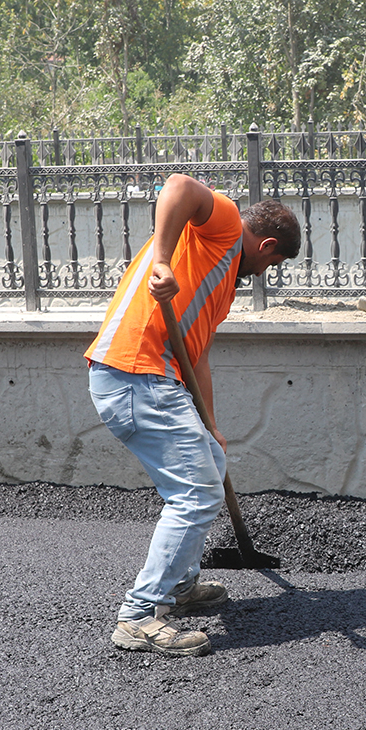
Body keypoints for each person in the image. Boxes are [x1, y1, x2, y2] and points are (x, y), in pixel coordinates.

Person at [85, 174, 300, 654]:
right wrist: (160, 261)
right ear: (266, 245)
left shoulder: (221, 284)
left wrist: (212, 425)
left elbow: (196, 354)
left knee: (209, 464)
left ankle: (179, 586)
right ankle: (141, 614)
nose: (267, 272)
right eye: (274, 262)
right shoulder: (223, 227)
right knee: (198, 490)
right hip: (135, 373)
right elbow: (179, 186)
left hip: (158, 379)